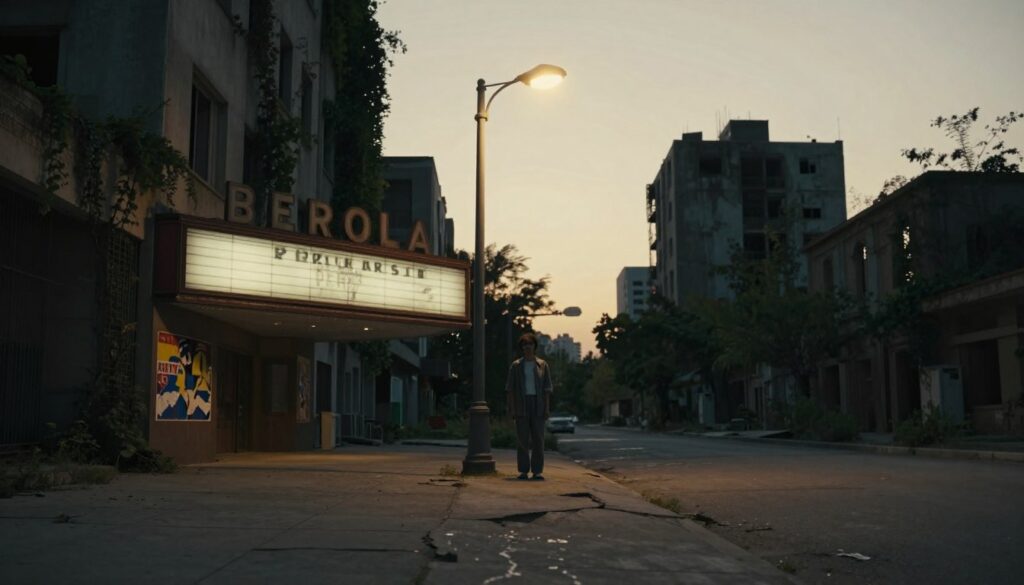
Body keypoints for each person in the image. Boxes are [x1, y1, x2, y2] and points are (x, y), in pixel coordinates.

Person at [505, 332, 553, 480]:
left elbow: (547, 389)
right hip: (521, 404)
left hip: (538, 404)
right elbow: (510, 389)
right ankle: (523, 470)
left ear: (534, 346)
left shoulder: (542, 365)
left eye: (530, 344)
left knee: (538, 439)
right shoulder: (516, 366)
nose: (527, 347)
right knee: (522, 440)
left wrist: (546, 408)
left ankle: (537, 471)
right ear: (522, 348)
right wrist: (512, 408)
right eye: (524, 344)